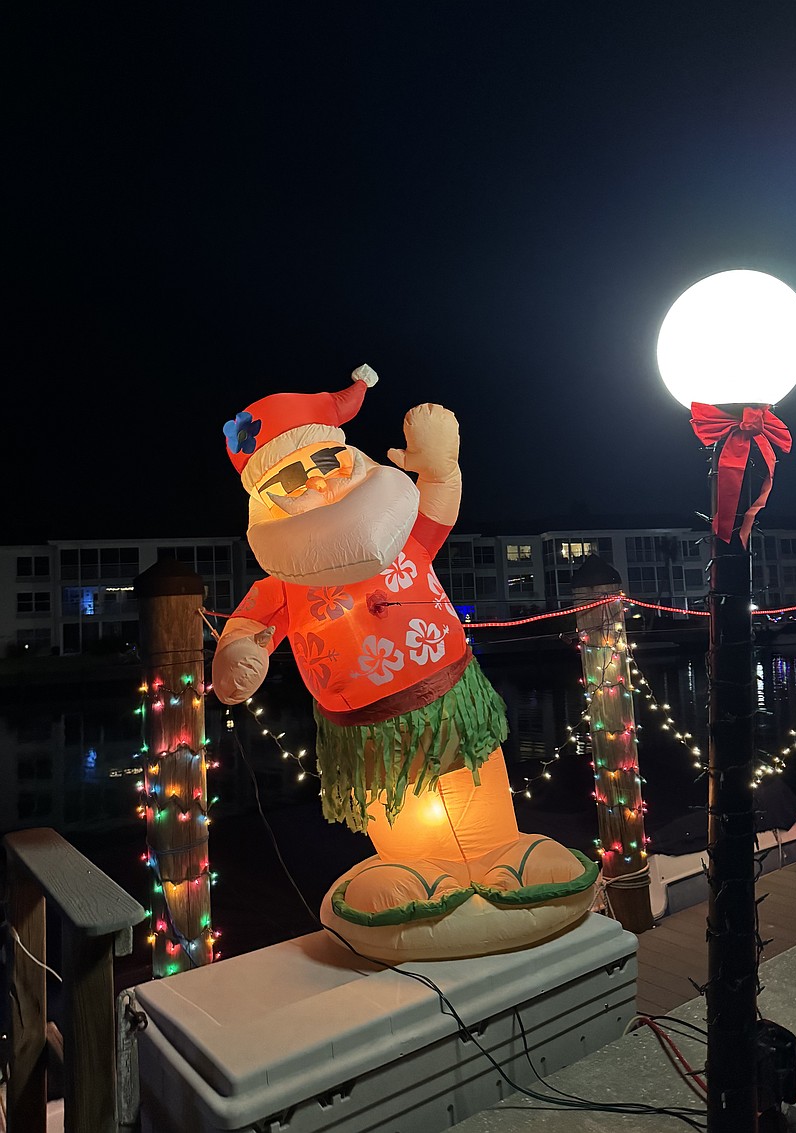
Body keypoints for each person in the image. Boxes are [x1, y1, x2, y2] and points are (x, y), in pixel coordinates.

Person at [213, 365, 597, 956]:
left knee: (478, 781)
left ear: (351, 460)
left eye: (325, 463)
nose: (315, 484)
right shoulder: (285, 582)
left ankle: (503, 851)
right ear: (264, 499)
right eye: (291, 478)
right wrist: (240, 652)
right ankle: (413, 869)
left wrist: (440, 466)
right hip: (368, 728)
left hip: (451, 695)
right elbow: (251, 626)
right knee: (400, 811)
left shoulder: (401, 536)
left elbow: (439, 507)